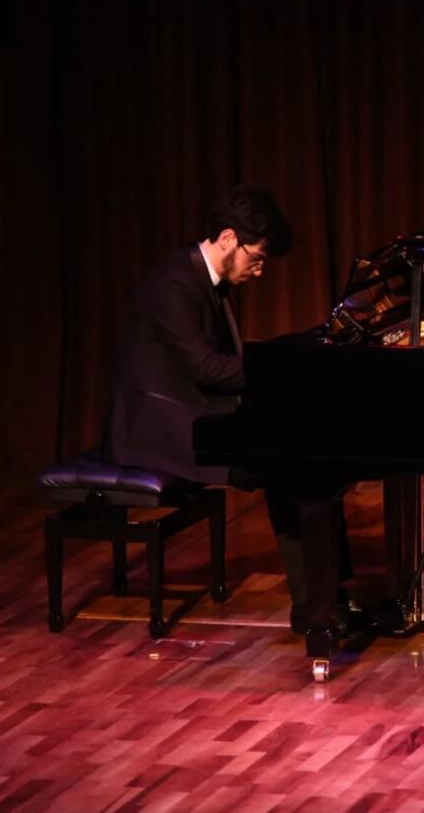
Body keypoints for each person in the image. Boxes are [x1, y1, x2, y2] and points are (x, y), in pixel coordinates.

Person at [103, 184, 345, 639]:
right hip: (160, 428)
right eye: (257, 257)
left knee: (305, 464)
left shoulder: (201, 278)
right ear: (229, 239)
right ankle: (315, 609)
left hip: (193, 411)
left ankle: (323, 598)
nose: (260, 270)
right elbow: (205, 368)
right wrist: (281, 370)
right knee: (290, 469)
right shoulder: (174, 284)